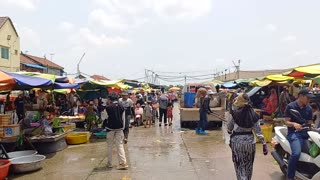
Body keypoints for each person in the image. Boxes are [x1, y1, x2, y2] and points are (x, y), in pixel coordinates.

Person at [227, 93, 268, 180]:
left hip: (237, 143)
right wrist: (264, 143)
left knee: (239, 165)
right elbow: (258, 131)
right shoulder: (254, 114)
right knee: (249, 165)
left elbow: (229, 127)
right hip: (250, 144)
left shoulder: (234, 114)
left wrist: (229, 130)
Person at [284, 89, 315, 180]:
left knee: (313, 153)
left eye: (310, 98)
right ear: (301, 96)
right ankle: (290, 177)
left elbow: (310, 122)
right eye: (307, 98)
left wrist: (312, 125)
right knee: (296, 153)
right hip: (294, 134)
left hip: (306, 134)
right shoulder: (290, 106)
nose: (309, 100)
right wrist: (294, 124)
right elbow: (286, 122)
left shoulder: (309, 108)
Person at [104, 92, 129, 170]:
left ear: (110, 99)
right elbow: (123, 119)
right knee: (120, 145)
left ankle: (110, 163)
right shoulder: (122, 107)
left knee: (110, 146)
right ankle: (123, 163)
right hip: (119, 129)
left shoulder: (108, 108)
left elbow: (103, 118)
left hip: (110, 129)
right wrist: (123, 128)